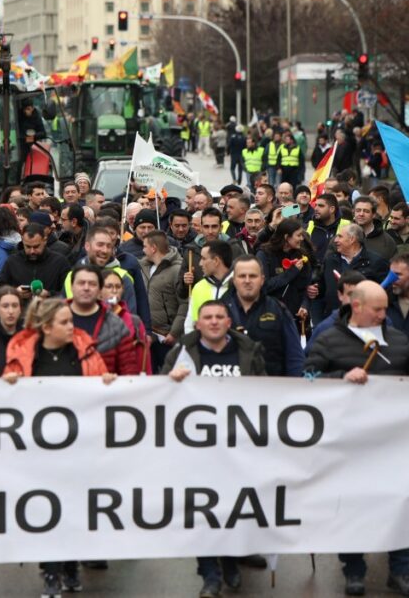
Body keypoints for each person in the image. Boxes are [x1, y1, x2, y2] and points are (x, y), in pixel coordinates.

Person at [302, 280, 409, 597]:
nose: (384, 315)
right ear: (356, 306)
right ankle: (354, 570)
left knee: (400, 506)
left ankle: (400, 570)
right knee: (352, 506)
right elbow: (306, 378)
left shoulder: (397, 340)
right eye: (378, 309)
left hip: (393, 441)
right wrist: (339, 378)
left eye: (386, 308)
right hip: (348, 442)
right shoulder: (328, 340)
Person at [3, 297, 112, 597]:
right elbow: (7, 405)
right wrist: (8, 386)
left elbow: (102, 396)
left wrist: (108, 384)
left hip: (79, 449)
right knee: (46, 512)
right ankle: (51, 571)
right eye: (65, 322)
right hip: (39, 451)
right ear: (46, 326)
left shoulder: (85, 352)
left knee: (74, 509)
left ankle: (70, 565)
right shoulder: (25, 356)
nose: (71, 327)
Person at [162, 299, 264, 597]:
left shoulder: (248, 352)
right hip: (197, 451)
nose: (215, 322)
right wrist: (171, 382)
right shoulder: (181, 353)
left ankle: (231, 561)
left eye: (221, 316)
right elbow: (162, 395)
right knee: (202, 514)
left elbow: (266, 391)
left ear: (229, 322)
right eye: (208, 317)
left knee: (233, 511)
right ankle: (209, 573)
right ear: (198, 323)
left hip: (238, 448)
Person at [223, 256, 304, 377]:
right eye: (242, 276)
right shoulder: (219, 311)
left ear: (262, 280)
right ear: (234, 280)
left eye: (253, 276)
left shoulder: (278, 310)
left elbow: (294, 357)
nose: (247, 280)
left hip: (271, 388)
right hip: (230, 389)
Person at [67, 265, 131, 373]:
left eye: (92, 284)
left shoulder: (116, 324)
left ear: (99, 289)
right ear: (71, 286)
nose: (86, 288)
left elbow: (129, 369)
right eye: (81, 283)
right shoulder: (54, 320)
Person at [319, 224, 389, 317]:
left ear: (352, 239)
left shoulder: (376, 262)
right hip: (334, 318)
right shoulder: (330, 260)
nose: (335, 240)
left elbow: (386, 292)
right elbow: (322, 288)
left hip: (364, 319)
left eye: (340, 236)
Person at [140, 231, 186, 366]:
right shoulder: (144, 267)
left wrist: (174, 332)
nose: (143, 250)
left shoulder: (177, 270)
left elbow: (184, 304)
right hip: (149, 336)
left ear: (153, 248)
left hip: (168, 337)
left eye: (144, 246)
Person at [0, 222, 70, 304]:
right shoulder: (12, 261)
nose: (32, 251)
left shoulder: (60, 262)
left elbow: (69, 293)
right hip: (21, 314)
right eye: (27, 246)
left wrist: (49, 295)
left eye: (36, 247)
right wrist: (15, 292)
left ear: (45, 240)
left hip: (50, 313)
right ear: (22, 240)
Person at [256, 218, 314, 318]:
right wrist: (292, 272)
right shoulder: (264, 254)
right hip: (270, 314)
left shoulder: (301, 256)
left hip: (295, 317)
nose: (302, 239)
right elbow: (265, 286)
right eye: (298, 235)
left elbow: (306, 287)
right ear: (287, 237)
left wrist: (305, 306)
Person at [184, 240, 234, 334]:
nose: (200, 263)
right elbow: (190, 325)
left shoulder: (238, 285)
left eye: (203, 258)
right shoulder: (199, 287)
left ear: (216, 261)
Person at [352, 196, 397, 261]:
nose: (361, 214)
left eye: (366, 211)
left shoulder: (387, 241)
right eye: (358, 210)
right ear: (354, 213)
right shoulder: (344, 236)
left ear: (374, 214)